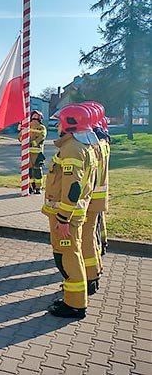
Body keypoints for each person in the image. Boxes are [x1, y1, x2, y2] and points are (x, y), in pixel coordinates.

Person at [42, 104, 97, 319]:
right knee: (71, 255)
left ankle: (74, 305)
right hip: (70, 216)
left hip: (65, 218)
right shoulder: (81, 145)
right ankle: (73, 299)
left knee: (67, 257)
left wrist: (63, 219)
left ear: (69, 124)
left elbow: (73, 188)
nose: (57, 126)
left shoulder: (72, 148)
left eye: (60, 122)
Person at [80, 101, 111, 295]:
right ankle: (95, 270)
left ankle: (90, 277)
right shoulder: (103, 139)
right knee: (93, 236)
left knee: (86, 238)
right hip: (97, 196)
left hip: (90, 198)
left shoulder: (92, 143)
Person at [19, 110, 47, 194]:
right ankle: (31, 187)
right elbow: (20, 136)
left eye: (36, 115)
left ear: (40, 117)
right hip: (28, 152)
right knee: (30, 171)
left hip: (37, 152)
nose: (35, 117)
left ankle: (38, 188)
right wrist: (23, 141)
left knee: (37, 170)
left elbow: (42, 137)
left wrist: (33, 143)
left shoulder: (42, 128)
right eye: (34, 115)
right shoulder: (27, 126)